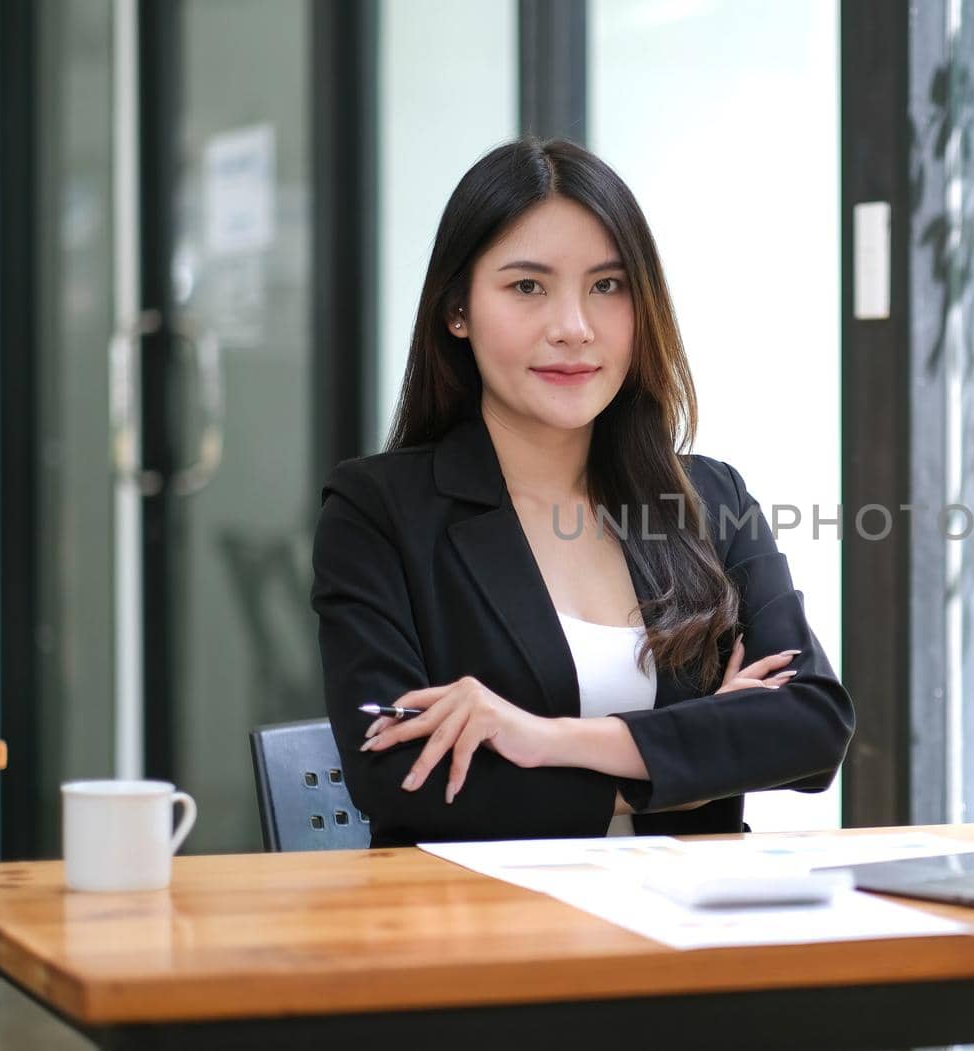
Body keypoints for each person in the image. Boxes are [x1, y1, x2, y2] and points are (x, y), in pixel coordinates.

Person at [311, 138, 854, 847]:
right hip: (486, 935)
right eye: (527, 286)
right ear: (457, 310)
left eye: (608, 286)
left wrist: (544, 738)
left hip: (690, 928)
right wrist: (690, 763)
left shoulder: (710, 496)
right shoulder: (377, 511)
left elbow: (810, 726)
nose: (574, 327)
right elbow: (403, 776)